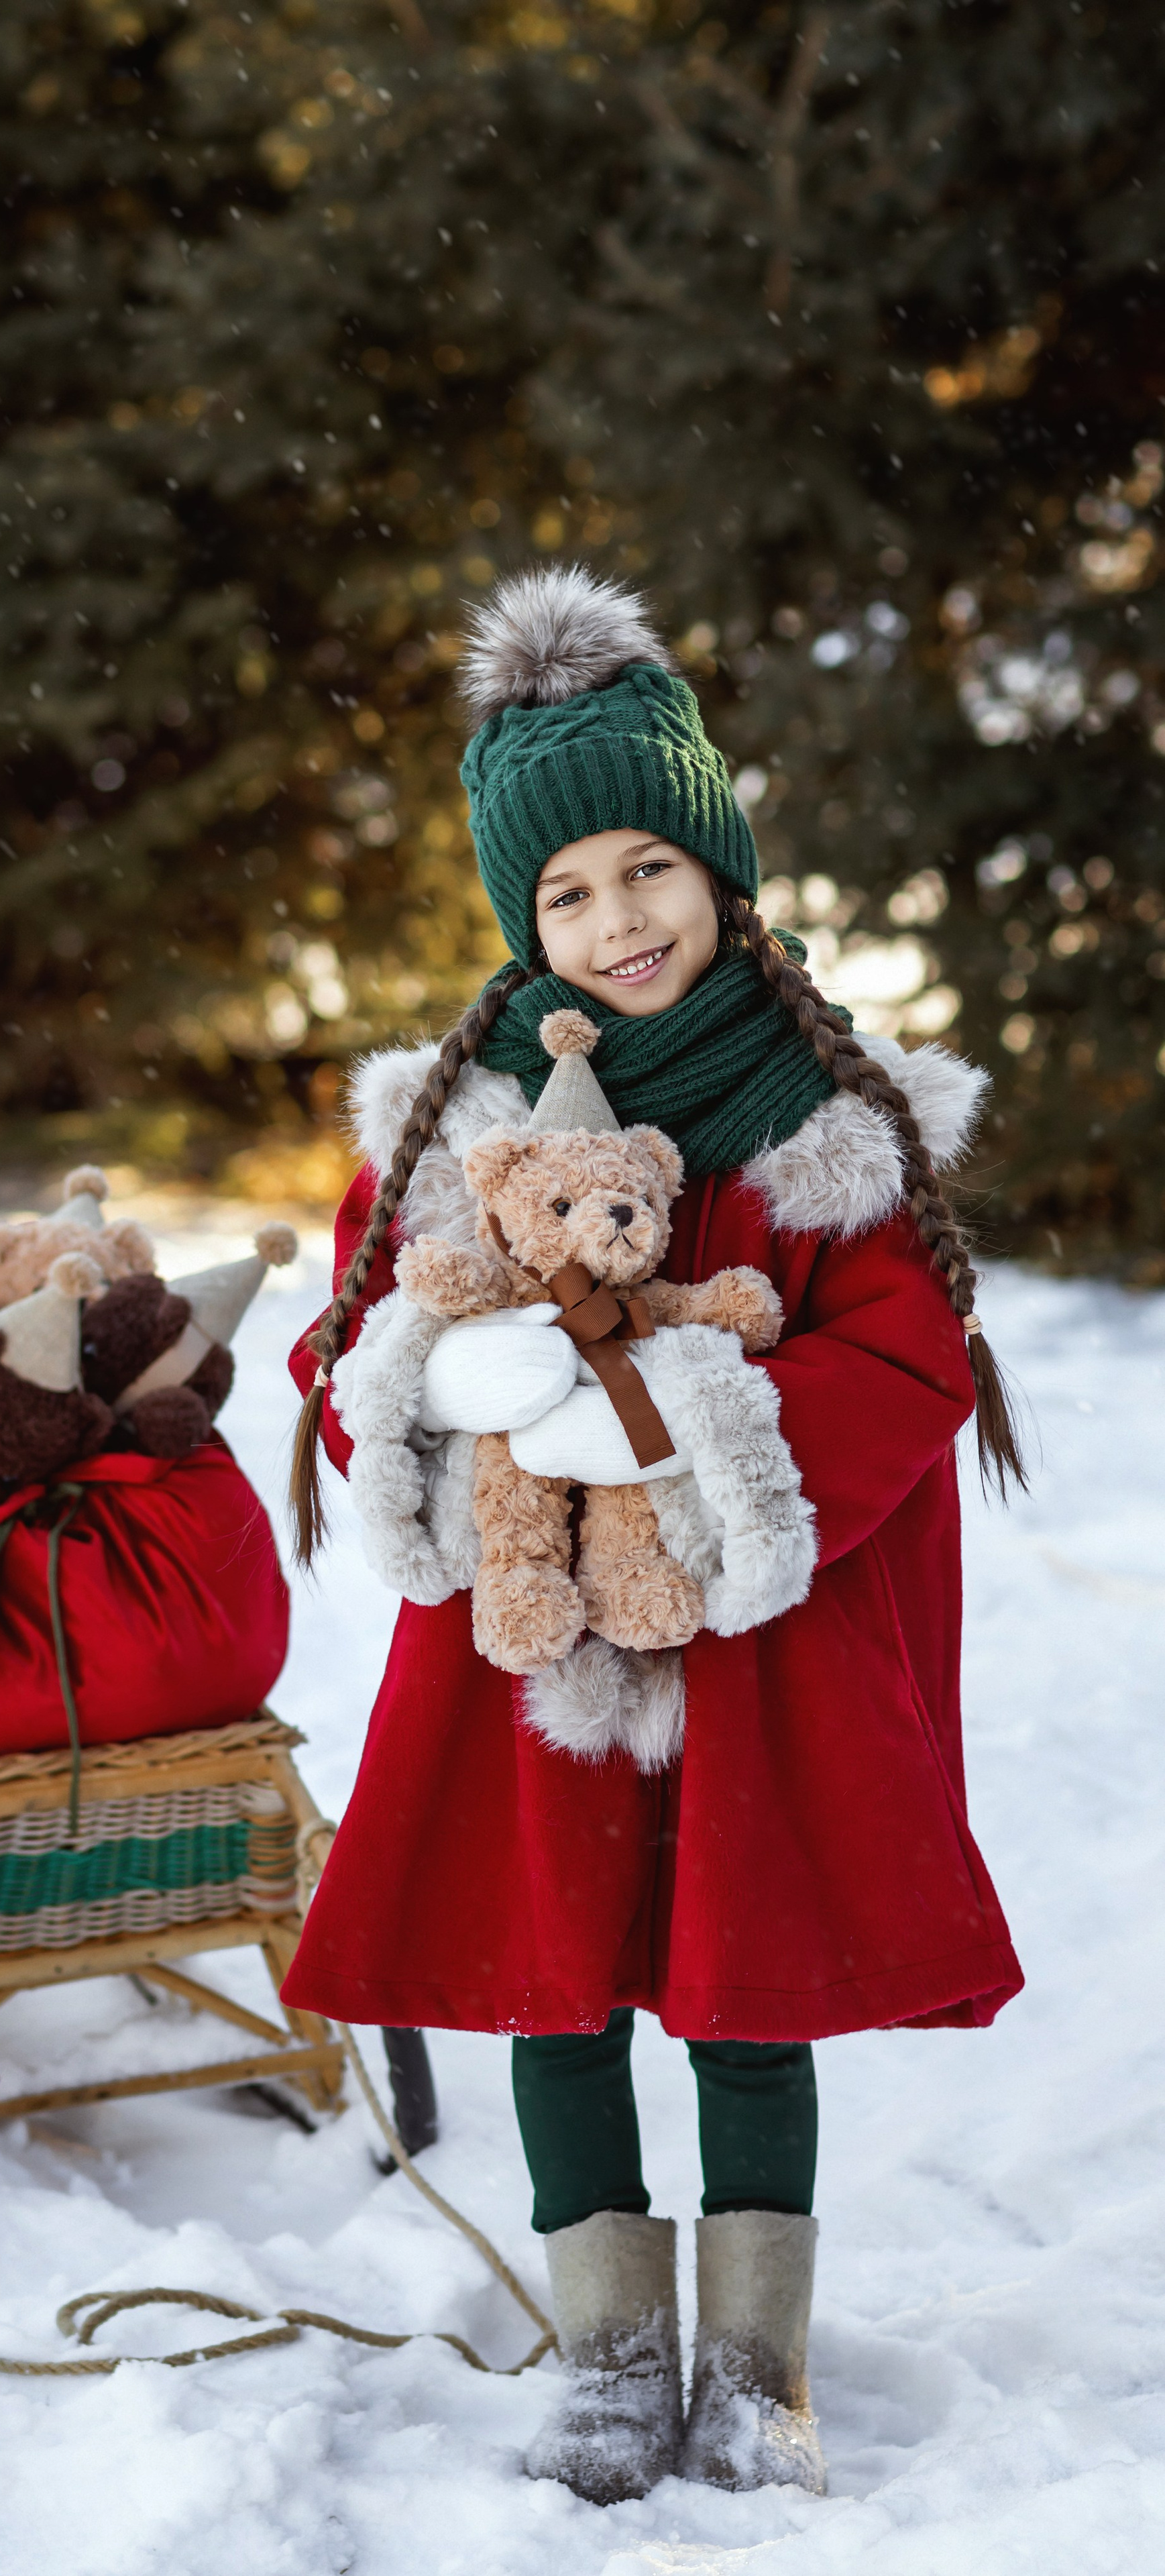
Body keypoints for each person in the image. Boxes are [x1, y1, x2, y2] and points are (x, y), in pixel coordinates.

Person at [281, 566, 1024, 2506]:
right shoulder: (466, 1119)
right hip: (542, 1648)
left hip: (755, 1634)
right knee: (564, 1975)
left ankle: (754, 2370)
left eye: (645, 871)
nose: (614, 923)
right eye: (566, 896)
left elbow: (911, 1358)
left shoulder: (827, 1118)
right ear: (523, 925)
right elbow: (352, 1332)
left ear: (720, 864)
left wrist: (693, 1443)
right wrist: (443, 1389)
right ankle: (609, 2350)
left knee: (741, 1989)